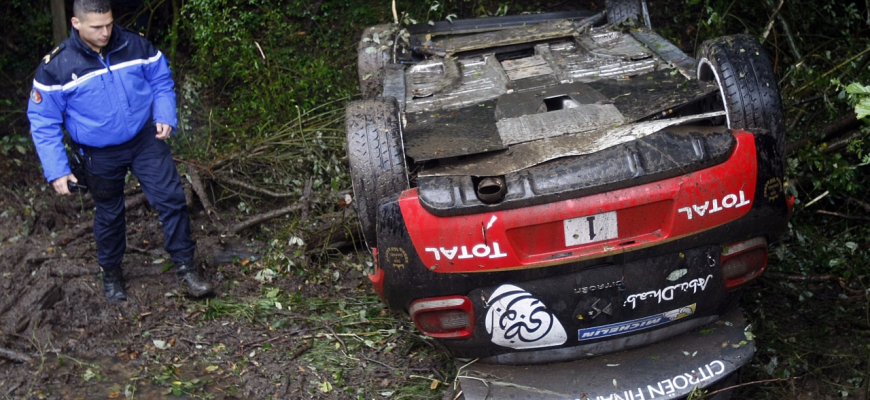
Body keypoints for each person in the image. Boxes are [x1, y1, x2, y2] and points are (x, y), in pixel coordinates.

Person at [27, 0, 214, 303]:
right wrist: (57, 168)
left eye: (109, 24)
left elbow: (160, 79)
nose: (105, 32)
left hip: (144, 139)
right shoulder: (56, 67)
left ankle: (185, 267)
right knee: (110, 213)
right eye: (97, 27)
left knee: (172, 199)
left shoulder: (133, 44)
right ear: (76, 24)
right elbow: (43, 121)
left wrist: (165, 113)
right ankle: (112, 272)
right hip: (98, 153)